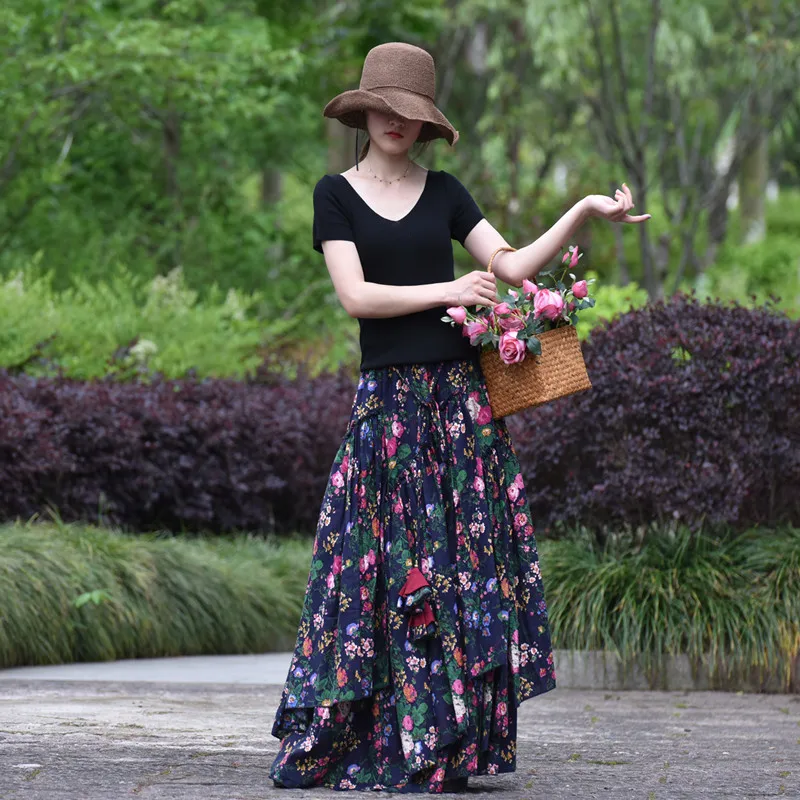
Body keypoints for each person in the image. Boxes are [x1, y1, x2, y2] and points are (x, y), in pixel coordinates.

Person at [268, 42, 650, 794]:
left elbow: (510, 268)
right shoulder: (333, 194)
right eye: (384, 108)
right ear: (364, 110)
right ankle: (377, 732)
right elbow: (356, 296)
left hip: (459, 411)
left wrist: (582, 212)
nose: (395, 123)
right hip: (387, 411)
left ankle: (445, 738)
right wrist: (447, 290)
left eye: (410, 113)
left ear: (426, 123)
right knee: (376, 570)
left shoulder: (445, 193)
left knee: (458, 573)